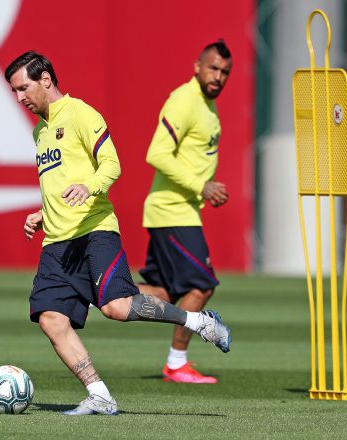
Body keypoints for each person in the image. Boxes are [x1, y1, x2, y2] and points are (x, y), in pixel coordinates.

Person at [4, 50, 231, 416]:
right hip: (57, 241)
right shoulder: (40, 131)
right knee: (50, 318)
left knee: (116, 307)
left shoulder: (81, 113)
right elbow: (59, 183)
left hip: (95, 231)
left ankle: (199, 322)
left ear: (45, 79)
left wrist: (90, 187)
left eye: (23, 88)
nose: (19, 98)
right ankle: (99, 395)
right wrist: (42, 214)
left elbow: (112, 164)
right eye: (14, 92)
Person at [138, 40, 233, 384]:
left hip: (180, 208)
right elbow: (157, 153)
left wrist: (203, 186)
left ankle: (94, 290)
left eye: (224, 72)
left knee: (163, 293)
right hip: (172, 210)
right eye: (213, 68)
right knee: (202, 285)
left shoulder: (207, 105)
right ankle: (177, 363)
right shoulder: (185, 100)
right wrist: (201, 185)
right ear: (197, 66)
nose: (218, 76)